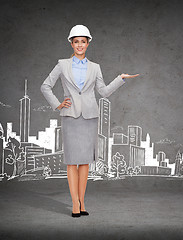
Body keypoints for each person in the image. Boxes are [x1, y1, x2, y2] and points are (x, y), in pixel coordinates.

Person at [40, 24, 139, 218]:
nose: (79, 45)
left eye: (83, 42)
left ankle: (82, 202)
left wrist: (120, 79)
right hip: (70, 116)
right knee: (71, 162)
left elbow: (103, 92)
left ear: (88, 44)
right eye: (76, 42)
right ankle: (75, 204)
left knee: (85, 162)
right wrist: (58, 104)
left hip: (90, 117)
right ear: (71, 43)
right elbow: (45, 86)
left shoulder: (95, 68)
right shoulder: (62, 64)